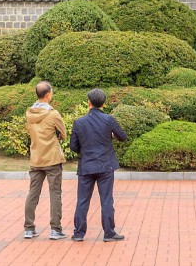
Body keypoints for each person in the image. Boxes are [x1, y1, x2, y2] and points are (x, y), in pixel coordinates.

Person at [70, 88, 129, 242]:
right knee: (107, 200)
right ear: (103, 103)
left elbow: (73, 146)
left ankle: (78, 233)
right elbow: (123, 137)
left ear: (89, 103)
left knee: (82, 200)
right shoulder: (109, 120)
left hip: (86, 165)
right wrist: (111, 136)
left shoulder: (79, 122)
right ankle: (109, 232)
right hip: (105, 165)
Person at [23, 81, 67, 240]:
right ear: (48, 95)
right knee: (55, 193)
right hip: (52, 159)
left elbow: (29, 132)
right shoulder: (53, 114)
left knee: (33, 193)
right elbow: (63, 133)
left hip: (36, 158)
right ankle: (55, 229)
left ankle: (29, 228)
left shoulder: (29, 114)